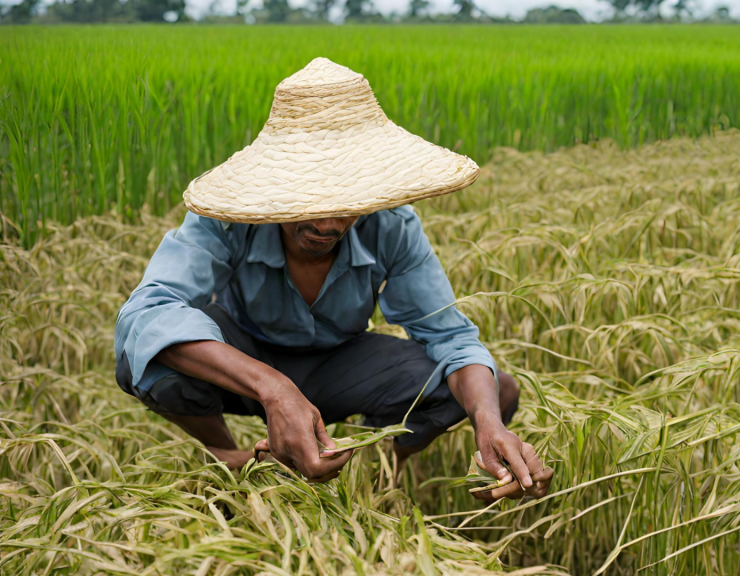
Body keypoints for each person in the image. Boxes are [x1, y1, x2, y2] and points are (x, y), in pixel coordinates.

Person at [113, 57, 553, 502]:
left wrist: (490, 423)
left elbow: (452, 338)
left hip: (338, 362)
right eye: (309, 202)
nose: (328, 222)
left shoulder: (391, 226)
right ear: (275, 185)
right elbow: (147, 313)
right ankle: (233, 457)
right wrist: (273, 388)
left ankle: (373, 474)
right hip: (244, 354)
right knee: (148, 357)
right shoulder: (229, 220)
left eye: (347, 202)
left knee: (495, 389)